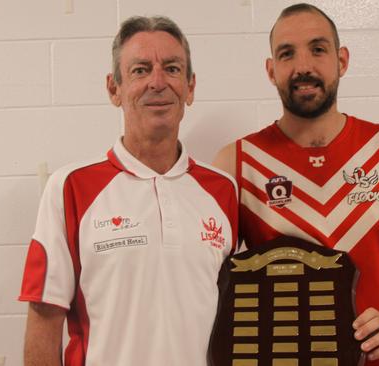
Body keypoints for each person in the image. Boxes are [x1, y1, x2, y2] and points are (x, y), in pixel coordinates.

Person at [213, 4, 379, 365]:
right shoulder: (237, 162)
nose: (303, 66)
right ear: (271, 70)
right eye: (286, 53)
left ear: (342, 60)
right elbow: (210, 282)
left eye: (318, 49)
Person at [19, 16, 238, 366]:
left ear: (190, 86)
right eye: (140, 70)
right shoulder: (70, 188)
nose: (157, 82)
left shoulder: (224, 191)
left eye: (172, 68)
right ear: (113, 89)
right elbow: (44, 323)